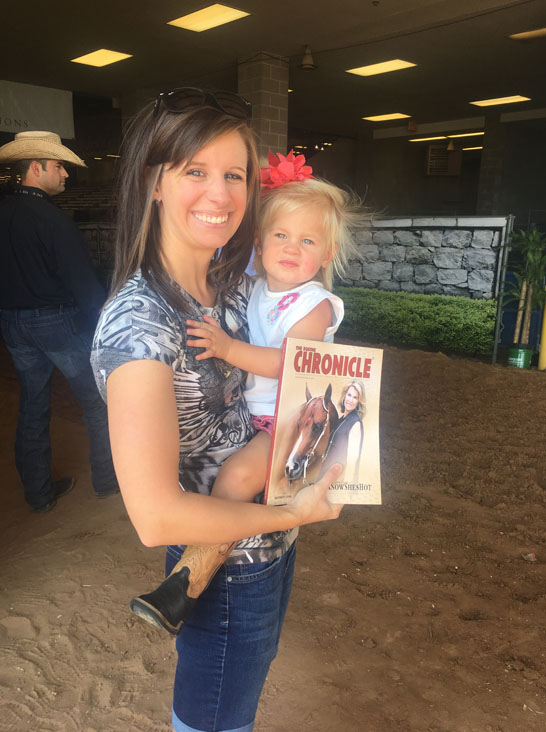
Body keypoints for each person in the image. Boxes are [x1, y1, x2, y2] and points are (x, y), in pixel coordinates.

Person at [90, 87, 343, 732]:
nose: (221, 194)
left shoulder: (233, 285)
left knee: (236, 708)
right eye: (195, 172)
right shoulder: (140, 327)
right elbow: (154, 518)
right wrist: (296, 510)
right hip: (224, 565)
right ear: (153, 182)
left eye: (234, 175)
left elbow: (305, 358)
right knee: (214, 722)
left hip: (271, 541)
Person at [131, 151, 368, 633]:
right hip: (253, 413)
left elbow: (289, 364)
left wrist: (227, 349)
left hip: (286, 417)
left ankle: (189, 580)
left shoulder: (316, 304)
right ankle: (195, 571)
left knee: (237, 479)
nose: (291, 247)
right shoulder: (253, 284)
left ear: (326, 257)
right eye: (280, 235)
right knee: (233, 480)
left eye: (307, 240)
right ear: (258, 243)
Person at [0, 130, 119, 513]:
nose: (65, 174)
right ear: (36, 168)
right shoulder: (54, 221)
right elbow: (83, 285)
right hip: (57, 324)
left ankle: (38, 493)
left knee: (33, 404)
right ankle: (106, 479)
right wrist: (102, 322)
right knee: (97, 403)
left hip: (13, 324)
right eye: (59, 166)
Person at [323, 380, 366, 482]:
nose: (350, 400)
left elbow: (352, 461)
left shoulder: (355, 423)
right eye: (349, 395)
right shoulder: (341, 420)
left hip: (339, 481)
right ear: (344, 396)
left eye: (355, 397)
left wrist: (345, 488)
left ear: (358, 402)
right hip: (327, 477)